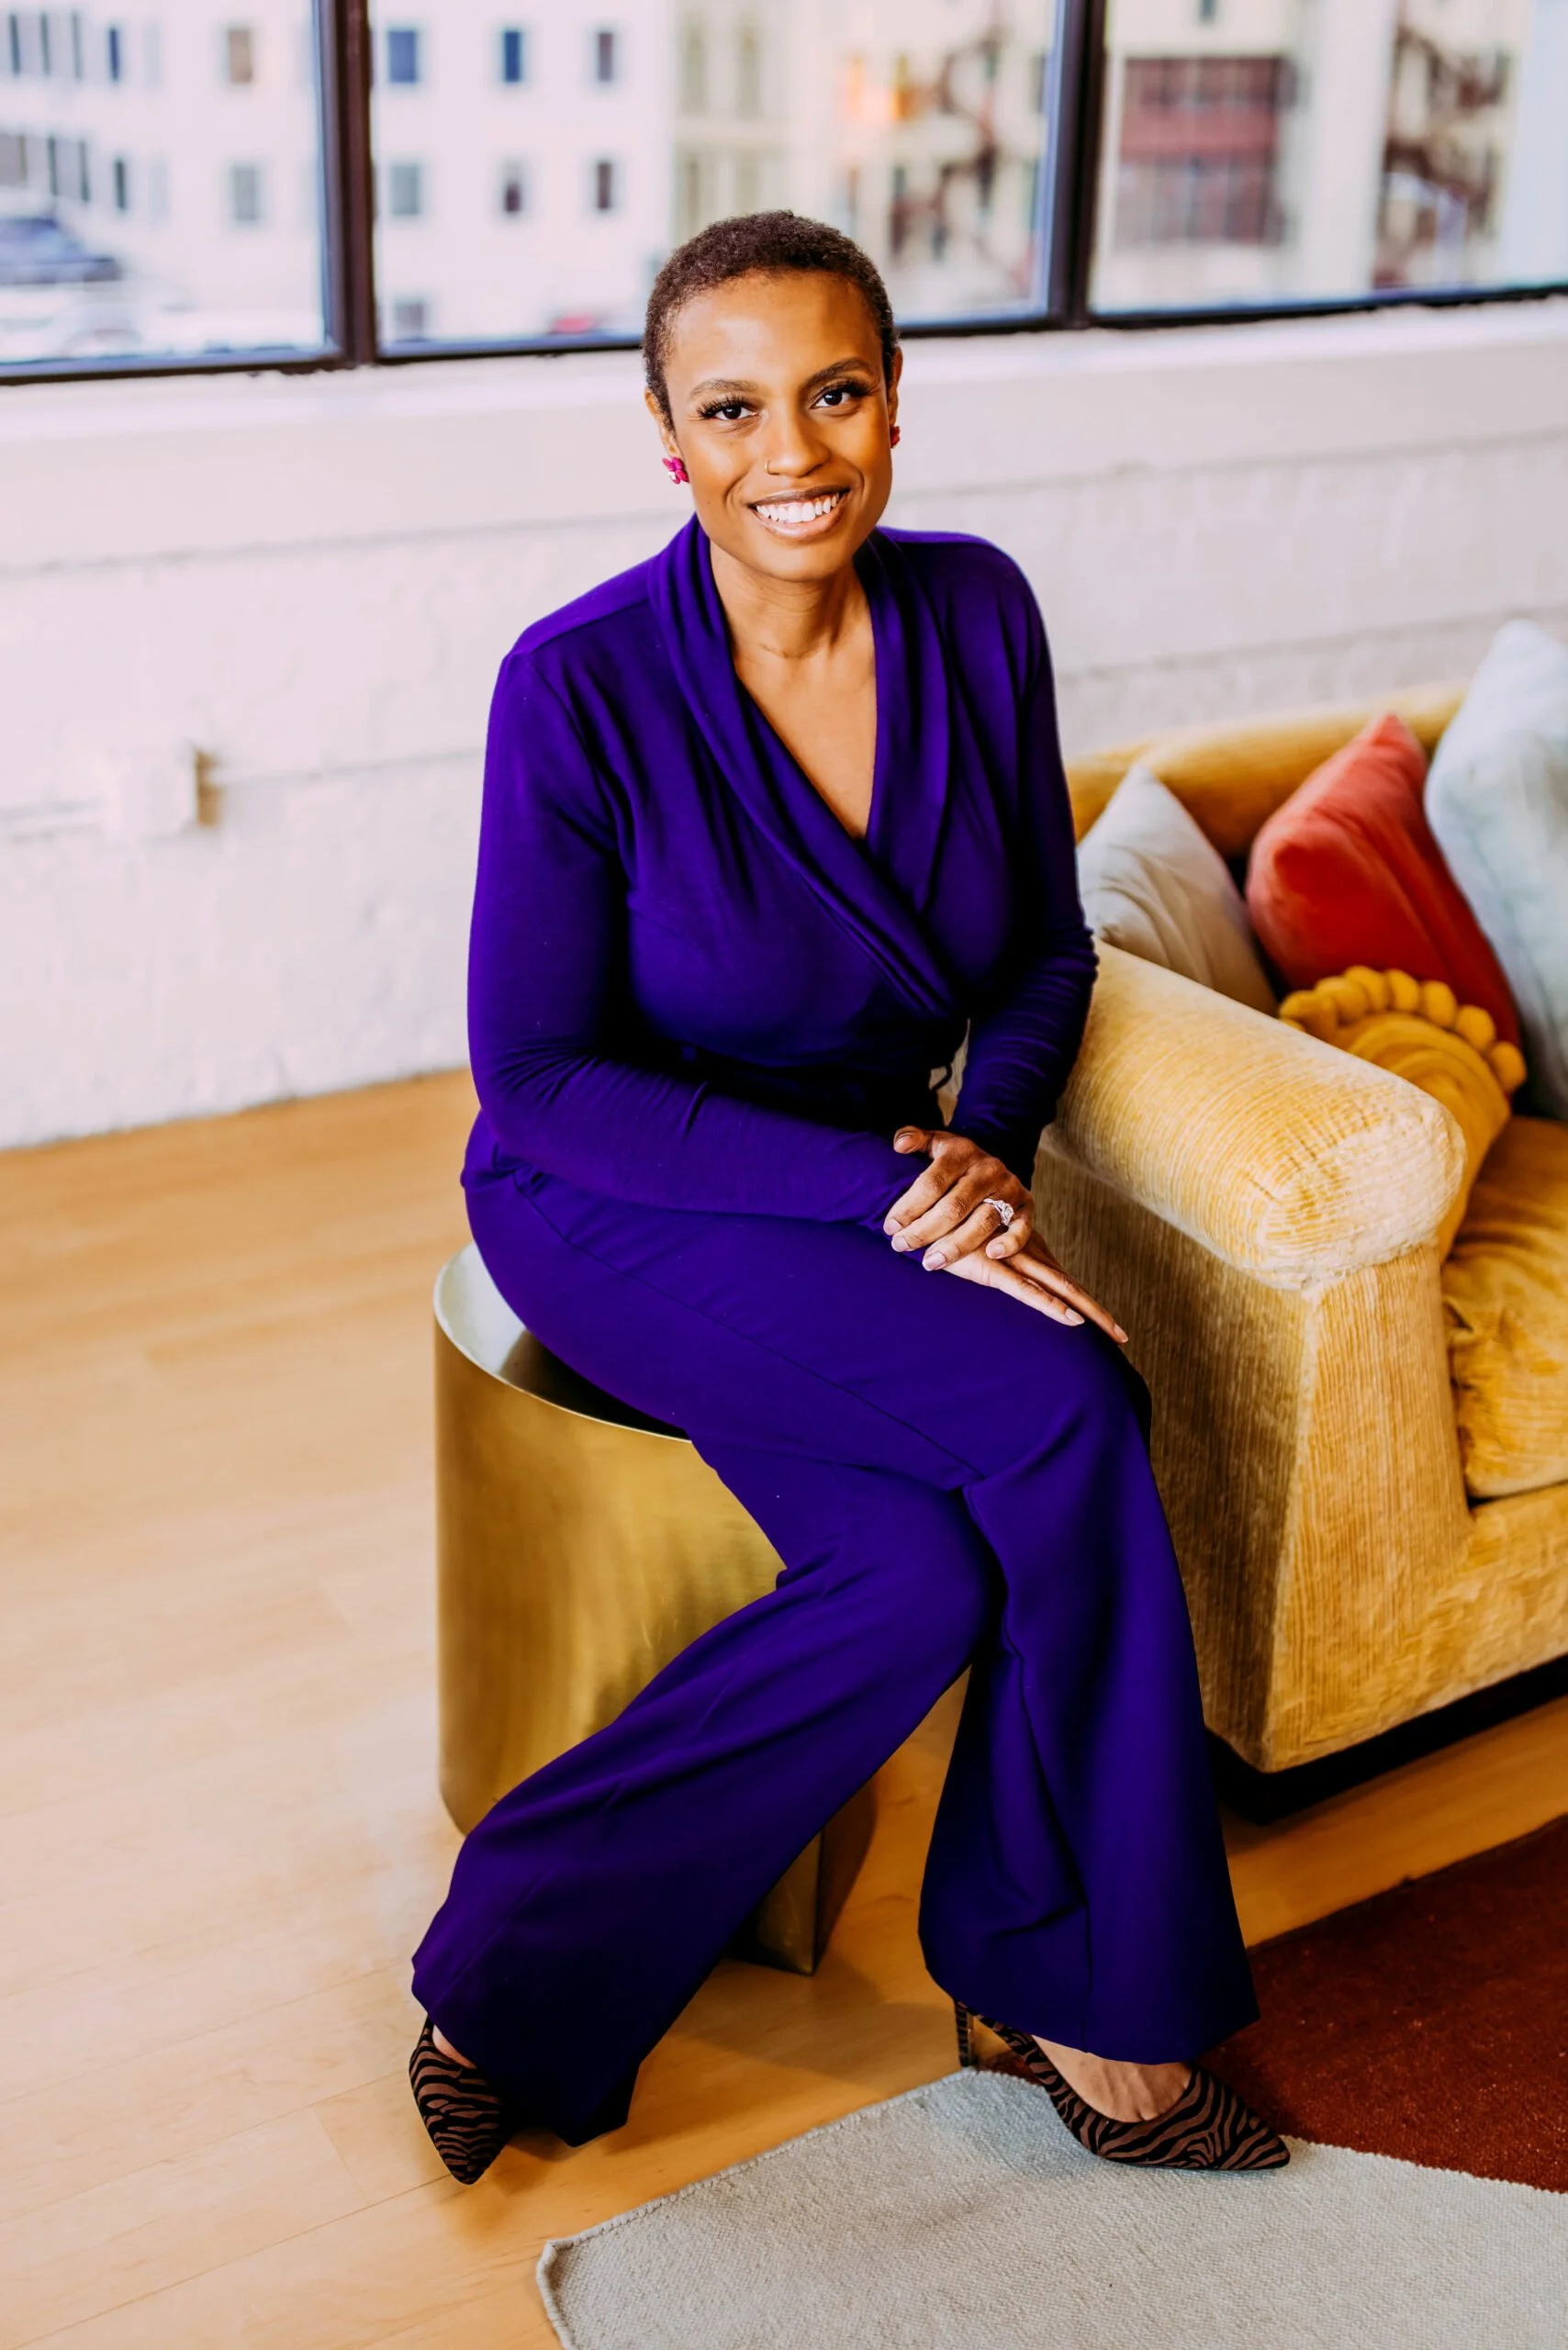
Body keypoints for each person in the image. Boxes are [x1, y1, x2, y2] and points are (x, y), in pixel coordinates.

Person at [408, 211, 1284, 2184]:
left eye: (834, 391)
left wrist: (989, 1149)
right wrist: (888, 1182)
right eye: (732, 407)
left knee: (920, 1572)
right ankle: (1086, 1992)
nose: (790, 451)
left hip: (880, 1178)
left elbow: (1040, 955)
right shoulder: (574, 688)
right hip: (624, 1191)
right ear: (663, 433)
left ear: (892, 399)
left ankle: (508, 1967)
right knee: (1072, 1401)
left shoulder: (976, 614)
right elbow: (537, 1081)